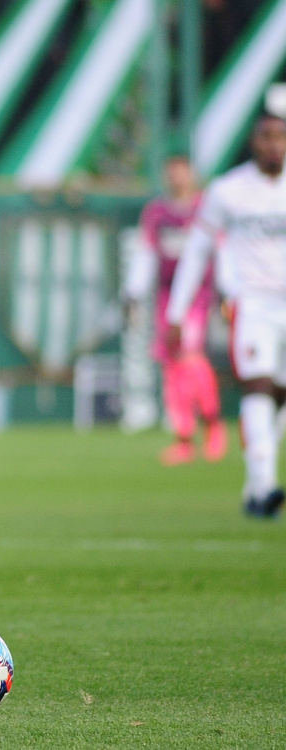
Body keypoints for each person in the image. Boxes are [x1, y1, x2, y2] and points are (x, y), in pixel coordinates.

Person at [167, 112, 286, 518]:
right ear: (254, 142)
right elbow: (197, 250)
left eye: (281, 137)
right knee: (258, 387)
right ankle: (265, 484)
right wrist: (177, 312)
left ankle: (254, 489)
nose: (274, 144)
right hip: (252, 304)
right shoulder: (228, 190)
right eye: (267, 136)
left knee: (278, 396)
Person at [125, 154, 226, 465]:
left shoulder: (207, 209)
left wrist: (227, 291)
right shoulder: (157, 212)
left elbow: (223, 250)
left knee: (190, 356)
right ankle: (184, 437)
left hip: (197, 296)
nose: (177, 178)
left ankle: (212, 422)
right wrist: (133, 293)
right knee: (171, 364)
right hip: (166, 296)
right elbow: (146, 253)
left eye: (182, 172)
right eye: (172, 173)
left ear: (192, 174)